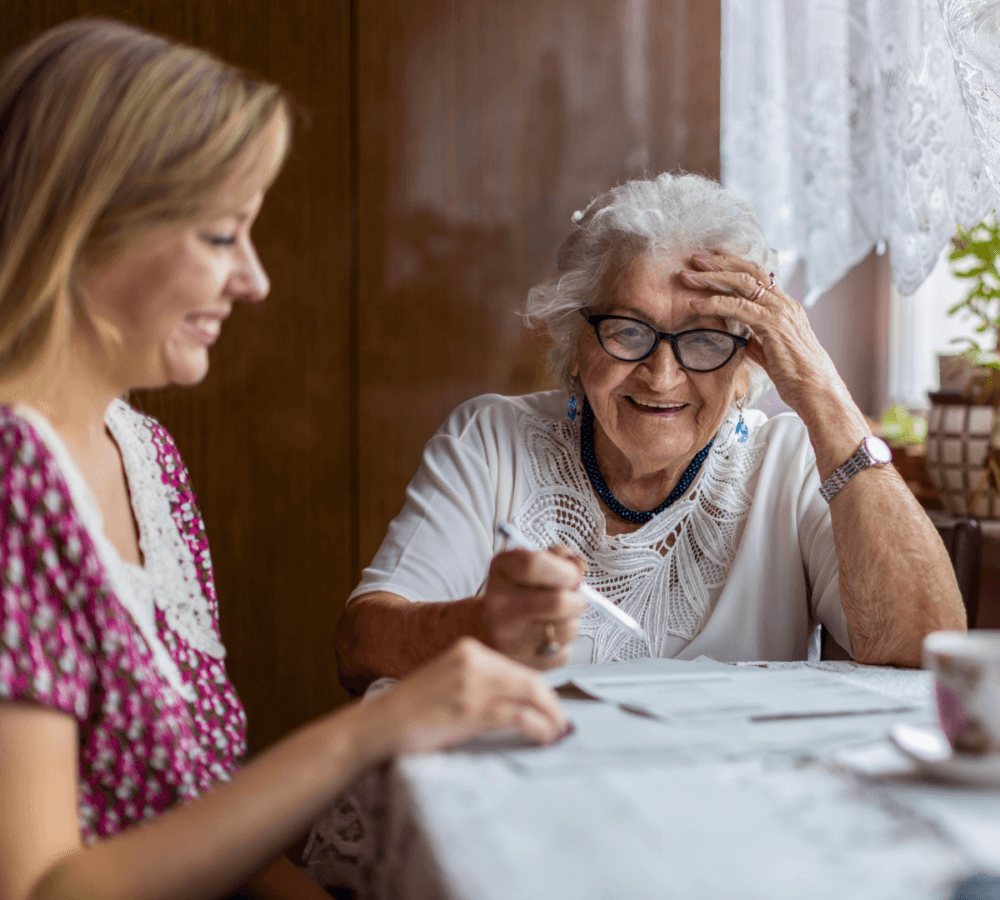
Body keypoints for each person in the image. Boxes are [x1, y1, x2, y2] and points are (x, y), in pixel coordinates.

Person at [0, 19, 569, 900]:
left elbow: (194, 816)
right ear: (90, 228)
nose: (256, 279)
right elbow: (42, 888)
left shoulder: (145, 456)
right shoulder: (13, 476)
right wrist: (370, 733)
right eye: (222, 236)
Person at [334, 172, 968, 692]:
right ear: (577, 344)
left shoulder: (793, 462)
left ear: (749, 362)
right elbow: (360, 644)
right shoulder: (492, 439)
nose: (663, 376)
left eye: (704, 339)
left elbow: (926, 651)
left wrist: (824, 395)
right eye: (629, 331)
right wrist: (479, 623)